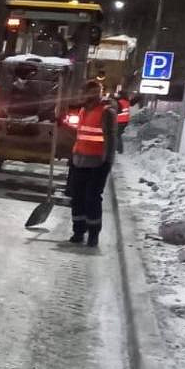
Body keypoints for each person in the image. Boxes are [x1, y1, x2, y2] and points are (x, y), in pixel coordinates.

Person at [69, 80, 117, 247]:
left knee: (92, 198)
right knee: (77, 198)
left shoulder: (106, 112)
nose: (84, 96)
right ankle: (78, 231)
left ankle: (93, 234)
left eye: (88, 93)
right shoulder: (83, 110)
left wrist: (107, 161)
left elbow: (111, 138)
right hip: (79, 160)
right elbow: (81, 133)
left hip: (98, 163)